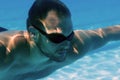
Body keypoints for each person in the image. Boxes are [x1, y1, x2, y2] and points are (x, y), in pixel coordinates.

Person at [0, 0, 120, 80]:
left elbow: (107, 33)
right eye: (57, 38)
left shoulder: (75, 47)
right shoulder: (5, 55)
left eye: (70, 36)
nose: (66, 44)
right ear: (33, 34)